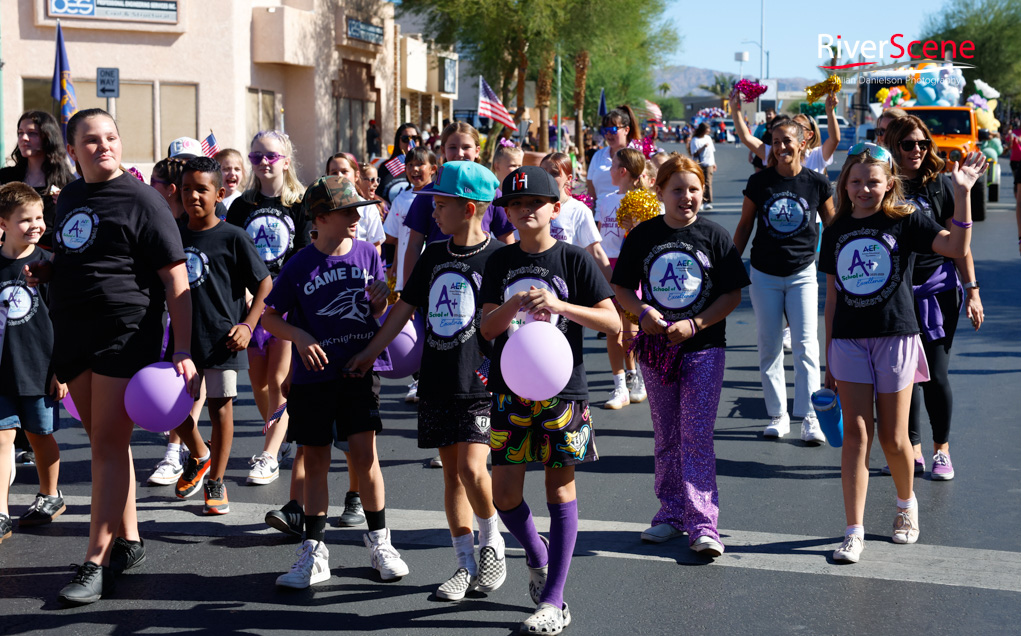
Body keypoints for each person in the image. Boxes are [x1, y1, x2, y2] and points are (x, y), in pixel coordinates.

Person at [26, 108, 199, 604]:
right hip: (72, 334)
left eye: (111, 137)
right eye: (92, 140)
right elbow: (75, 254)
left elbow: (176, 280)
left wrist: (182, 348)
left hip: (124, 332)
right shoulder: (71, 196)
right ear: (73, 150)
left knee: (106, 444)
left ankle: (95, 561)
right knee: (106, 441)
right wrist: (50, 272)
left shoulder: (143, 199)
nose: (104, 146)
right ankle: (130, 540)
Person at [347, 161, 507, 601]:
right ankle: (464, 564)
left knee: (473, 468)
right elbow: (404, 308)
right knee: (452, 475)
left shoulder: (499, 258)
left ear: (469, 208)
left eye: (440, 204)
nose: (433, 212)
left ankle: (492, 541)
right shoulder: (434, 255)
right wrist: (371, 351)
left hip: (479, 380)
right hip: (437, 378)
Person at [821, 143, 984, 563]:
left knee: (894, 439)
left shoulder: (905, 219)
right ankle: (853, 531)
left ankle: (905, 504)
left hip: (895, 336)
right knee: (856, 436)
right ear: (845, 185)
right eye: (856, 181)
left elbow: (955, 246)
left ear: (889, 184)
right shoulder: (835, 230)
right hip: (848, 342)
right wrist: (828, 358)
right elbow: (832, 299)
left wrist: (962, 192)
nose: (864, 189)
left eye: (873, 181)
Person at [480, 165, 618, 635]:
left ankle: (554, 600)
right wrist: (512, 304)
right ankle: (537, 555)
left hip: (564, 392)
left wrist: (560, 306)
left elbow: (613, 322)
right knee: (504, 495)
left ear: (555, 208)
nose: (525, 210)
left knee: (559, 489)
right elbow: (487, 329)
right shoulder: (499, 261)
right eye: (516, 204)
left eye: (535, 203)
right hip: (509, 391)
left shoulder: (574, 260)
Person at [262, 175, 408, 588]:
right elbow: (270, 317)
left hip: (358, 371)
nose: (356, 217)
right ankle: (313, 551)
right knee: (315, 460)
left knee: (364, 456)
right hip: (313, 378)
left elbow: (376, 313)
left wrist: (379, 303)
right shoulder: (299, 264)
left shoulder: (367, 253)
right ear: (321, 218)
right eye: (347, 211)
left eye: (358, 210)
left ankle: (380, 543)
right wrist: (300, 337)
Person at [611, 155, 749, 552]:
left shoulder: (715, 236)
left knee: (696, 435)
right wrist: (642, 313)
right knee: (667, 436)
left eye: (693, 189)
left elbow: (732, 294)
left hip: (704, 349)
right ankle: (671, 514)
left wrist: (697, 324)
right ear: (659, 191)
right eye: (677, 190)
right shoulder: (643, 236)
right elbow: (621, 288)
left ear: (703, 192)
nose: (686, 197)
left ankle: (703, 524)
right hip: (657, 351)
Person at [884, 115, 984, 480]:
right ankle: (912, 447)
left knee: (936, 375)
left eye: (922, 144)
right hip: (895, 295)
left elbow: (960, 244)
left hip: (938, 291)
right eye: (908, 144)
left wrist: (972, 291)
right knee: (904, 376)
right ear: (894, 146)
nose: (916, 150)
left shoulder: (941, 185)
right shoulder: (884, 185)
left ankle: (942, 449)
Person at [172, 157, 272, 514]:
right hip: (181, 341)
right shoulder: (172, 234)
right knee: (171, 409)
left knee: (220, 410)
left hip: (222, 340)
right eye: (187, 189)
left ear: (220, 194)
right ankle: (200, 454)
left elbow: (264, 284)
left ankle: (216, 480)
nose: (193, 196)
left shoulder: (234, 237)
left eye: (202, 189)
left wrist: (248, 325)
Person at [733, 117, 835, 442]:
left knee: (806, 346)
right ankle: (778, 415)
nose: (780, 148)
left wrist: (841, 266)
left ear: (803, 143)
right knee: (770, 345)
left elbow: (833, 227)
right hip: (764, 275)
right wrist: (729, 266)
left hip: (803, 273)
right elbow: (745, 226)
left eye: (787, 141)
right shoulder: (759, 182)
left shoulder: (817, 183)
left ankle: (810, 418)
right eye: (775, 142)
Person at [226, 130, 310, 487]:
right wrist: (247, 293)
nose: (263, 162)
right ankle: (280, 434)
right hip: (250, 305)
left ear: (285, 161)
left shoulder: (301, 203)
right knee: (258, 383)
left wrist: (283, 295)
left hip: (285, 305)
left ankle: (270, 454)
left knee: (278, 381)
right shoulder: (241, 206)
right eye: (256, 156)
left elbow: (304, 255)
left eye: (271, 156)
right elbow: (231, 256)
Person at [0, 183, 68, 540]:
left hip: (40, 369)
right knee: (2, 438)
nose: (36, 225)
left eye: (39, 217)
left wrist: (60, 370)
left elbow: (62, 318)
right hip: (3, 371)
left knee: (39, 435)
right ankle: (1, 512)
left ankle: (50, 494)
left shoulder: (49, 265)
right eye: (25, 219)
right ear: (3, 224)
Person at [595, 148, 649, 410]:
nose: (609, 170)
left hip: (630, 267)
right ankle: (620, 385)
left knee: (629, 330)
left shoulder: (644, 200)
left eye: (613, 165)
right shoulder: (606, 200)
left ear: (623, 171)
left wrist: (634, 228)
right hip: (606, 266)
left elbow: (649, 239)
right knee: (611, 328)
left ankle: (637, 377)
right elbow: (598, 236)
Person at [0, 111, 75, 250]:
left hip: (47, 256)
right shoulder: (5, 177)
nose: (24, 138)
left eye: (32, 133)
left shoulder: (67, 182)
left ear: (48, 137)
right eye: (20, 133)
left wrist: (66, 205)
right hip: (8, 254)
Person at [540, 152, 612, 280]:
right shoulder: (531, 207)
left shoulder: (578, 210)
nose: (548, 177)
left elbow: (595, 252)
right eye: (543, 172)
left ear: (568, 179)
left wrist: (614, 287)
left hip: (567, 281)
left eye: (554, 173)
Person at [731, 93, 841, 177]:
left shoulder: (817, 155)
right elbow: (746, 137)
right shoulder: (776, 153)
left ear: (809, 135)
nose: (792, 129)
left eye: (799, 126)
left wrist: (830, 112)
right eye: (792, 125)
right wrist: (735, 110)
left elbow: (834, 139)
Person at [326, 153, 384, 253]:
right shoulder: (322, 207)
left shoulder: (368, 208)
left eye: (344, 171)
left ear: (356, 176)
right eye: (334, 172)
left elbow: (376, 247)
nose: (339, 176)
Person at [587, 105, 641, 204]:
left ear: (626, 130)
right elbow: (591, 194)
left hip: (630, 212)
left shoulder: (639, 155)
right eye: (605, 130)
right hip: (601, 213)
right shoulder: (598, 156)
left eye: (613, 130)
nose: (608, 134)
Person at [377, 123, 420, 205]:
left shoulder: (428, 167)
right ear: (398, 141)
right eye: (405, 138)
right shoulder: (386, 167)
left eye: (414, 138)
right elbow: (377, 194)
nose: (410, 142)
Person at [688, 123, 716, 210]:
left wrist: (714, 163)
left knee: (708, 183)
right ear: (703, 130)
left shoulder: (708, 138)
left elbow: (711, 152)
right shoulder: (695, 140)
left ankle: (708, 201)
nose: (709, 131)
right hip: (699, 164)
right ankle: (699, 202)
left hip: (709, 163)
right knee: (699, 183)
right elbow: (694, 154)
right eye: (707, 129)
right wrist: (703, 147)